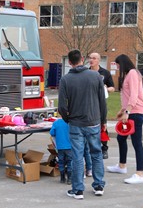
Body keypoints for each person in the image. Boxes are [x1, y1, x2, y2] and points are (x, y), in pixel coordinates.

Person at [58, 49, 107, 200]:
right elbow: (102, 102)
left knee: (77, 156)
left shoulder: (65, 80)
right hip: (93, 122)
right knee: (96, 153)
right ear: (82, 59)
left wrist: (68, 119)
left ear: (70, 62)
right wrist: (103, 121)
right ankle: (99, 185)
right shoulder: (95, 76)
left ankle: (78, 189)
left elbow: (61, 107)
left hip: (76, 123)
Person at [107, 54, 143, 184]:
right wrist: (122, 111)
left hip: (136, 113)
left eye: (118, 65)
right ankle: (121, 166)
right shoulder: (131, 74)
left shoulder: (132, 73)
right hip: (131, 112)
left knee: (137, 143)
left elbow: (134, 95)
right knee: (121, 138)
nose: (118, 67)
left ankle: (140, 174)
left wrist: (127, 112)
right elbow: (127, 95)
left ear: (123, 63)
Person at [89, 52, 115, 159]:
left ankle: (104, 148)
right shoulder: (86, 72)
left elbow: (112, 88)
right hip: (89, 102)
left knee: (102, 124)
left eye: (94, 58)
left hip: (100, 103)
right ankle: (90, 147)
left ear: (99, 60)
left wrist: (105, 88)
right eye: (90, 58)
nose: (91, 60)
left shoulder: (105, 73)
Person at [49, 117, 72, 185]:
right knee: (70, 162)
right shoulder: (70, 122)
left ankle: (62, 177)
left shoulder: (56, 122)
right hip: (69, 146)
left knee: (61, 161)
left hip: (60, 146)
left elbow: (52, 133)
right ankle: (69, 178)